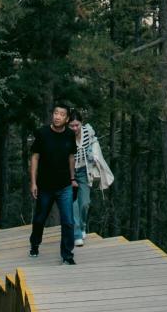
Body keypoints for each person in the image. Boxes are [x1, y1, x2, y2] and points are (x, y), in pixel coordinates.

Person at [28, 101, 78, 265]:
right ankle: (35, 244)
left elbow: (71, 157)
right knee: (40, 219)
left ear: (67, 118)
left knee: (68, 221)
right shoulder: (42, 133)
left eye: (62, 115)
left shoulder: (70, 135)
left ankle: (67, 255)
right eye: (56, 113)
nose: (57, 117)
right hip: (45, 186)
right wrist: (33, 182)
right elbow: (35, 157)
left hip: (64, 186)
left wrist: (73, 179)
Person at [68, 110, 112, 247]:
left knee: (85, 203)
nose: (75, 128)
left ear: (81, 123)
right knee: (73, 203)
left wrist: (93, 154)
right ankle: (76, 235)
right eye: (72, 126)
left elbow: (94, 142)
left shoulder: (88, 131)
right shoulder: (64, 135)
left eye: (77, 125)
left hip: (83, 171)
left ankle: (82, 226)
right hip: (68, 173)